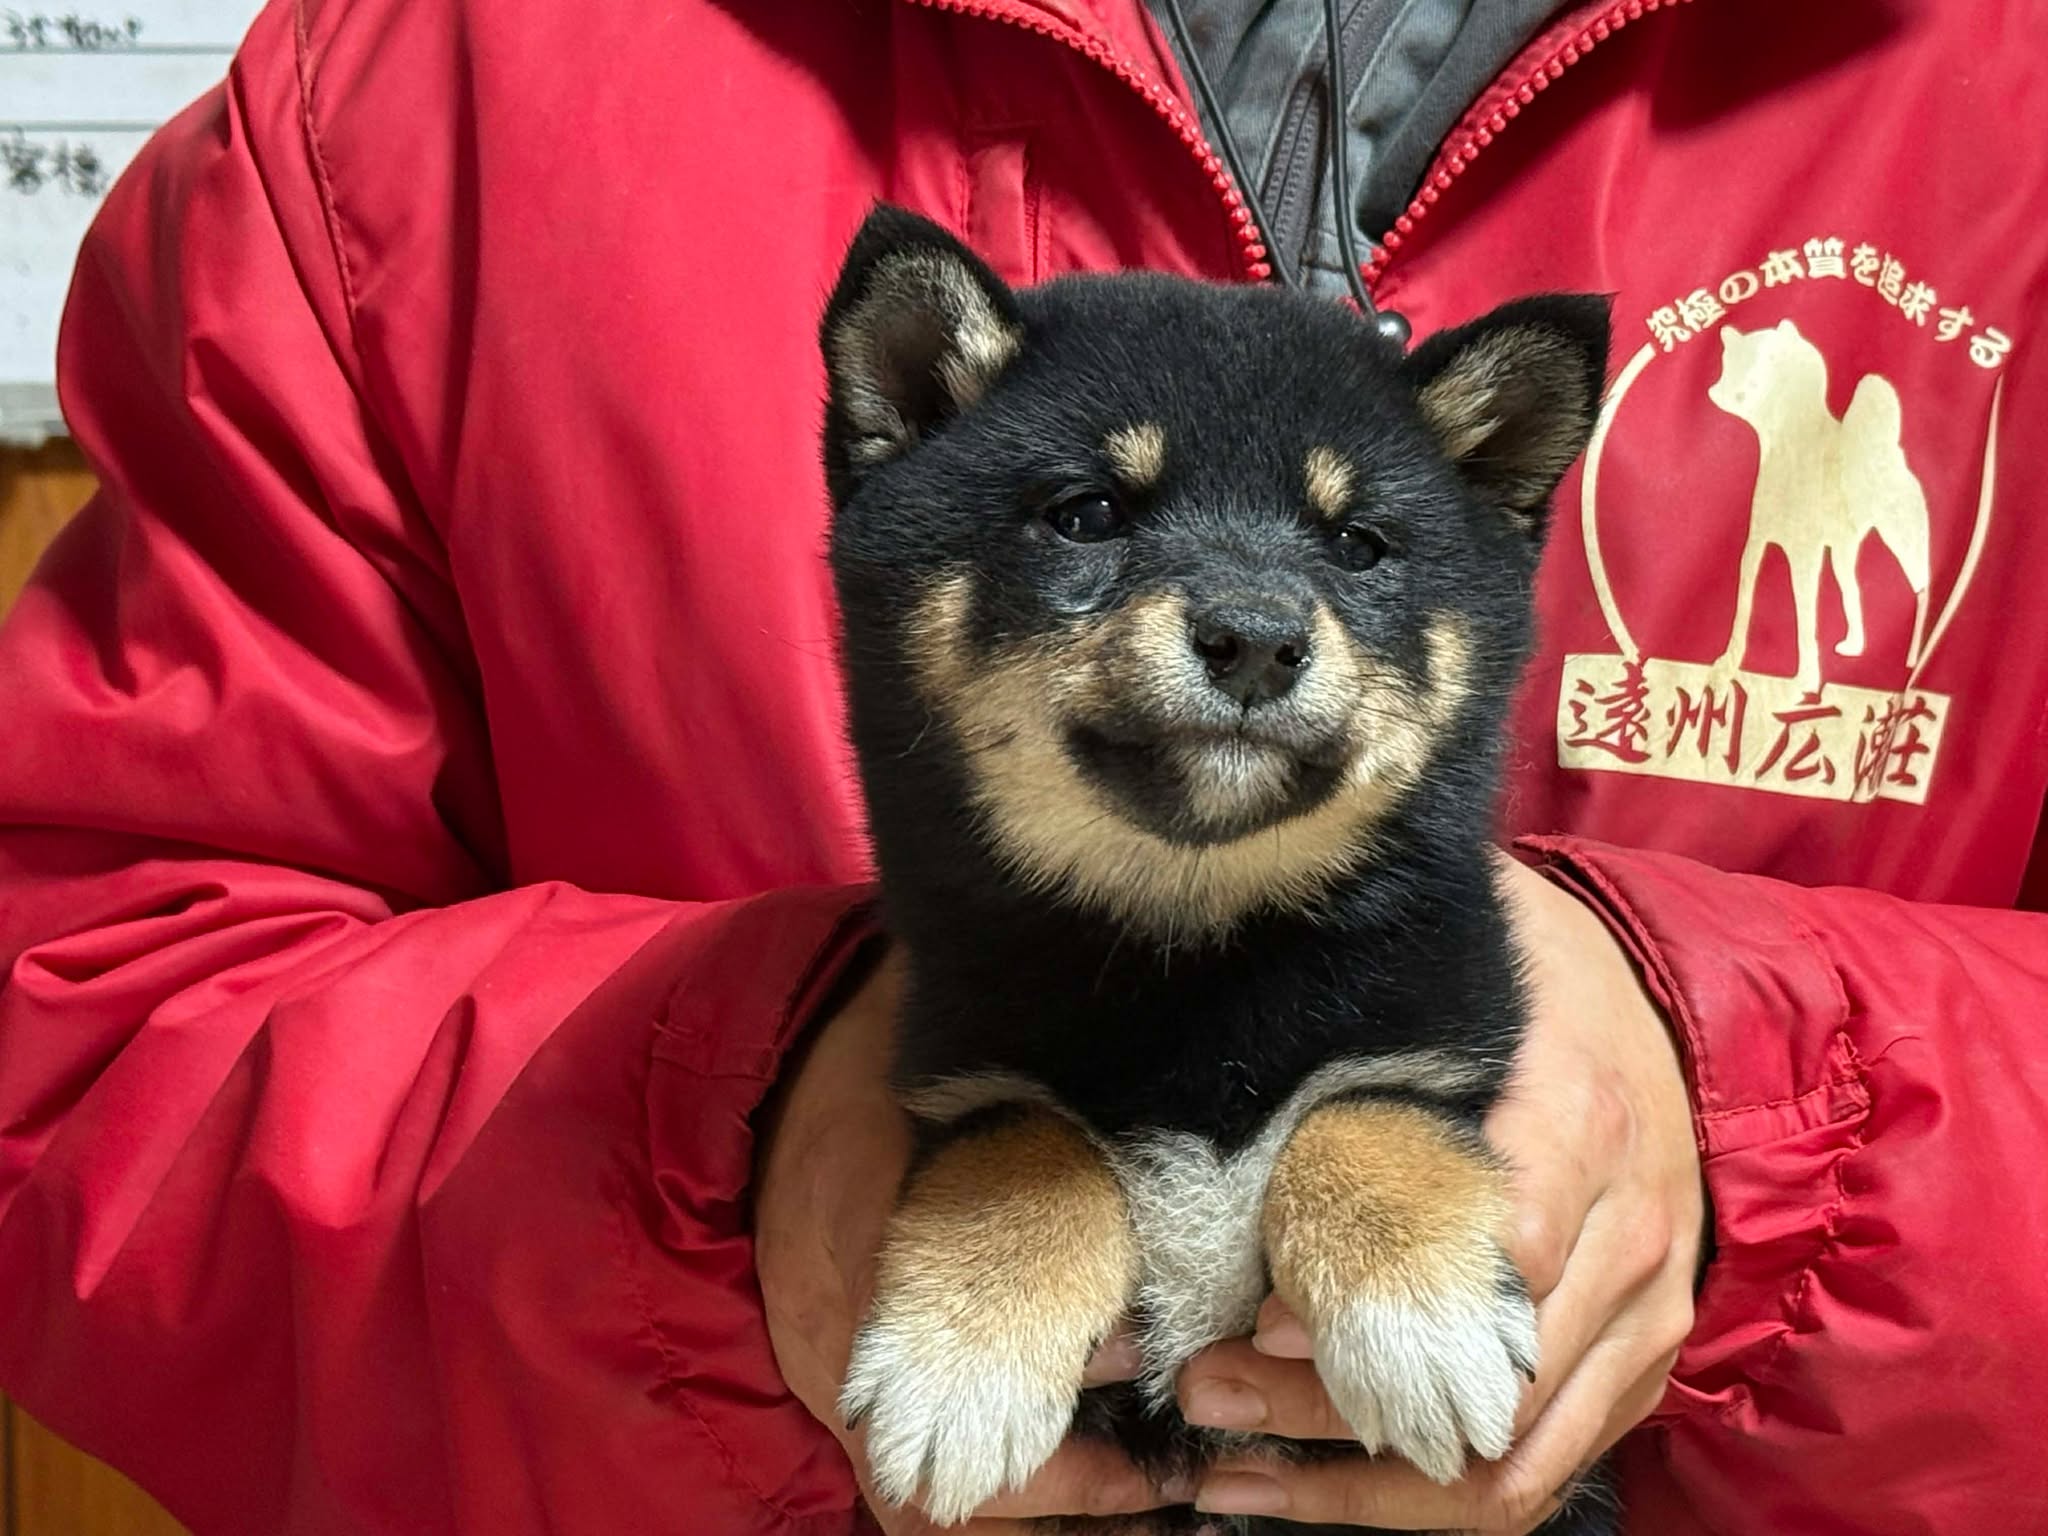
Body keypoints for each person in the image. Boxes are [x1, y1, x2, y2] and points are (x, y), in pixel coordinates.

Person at [0, 0, 2041, 1532]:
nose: (1253, 623)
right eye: (1090, 520)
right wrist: (706, 1177)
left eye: (1341, 562)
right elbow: (85, 1040)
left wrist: (1773, 1132)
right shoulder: (417, 90)